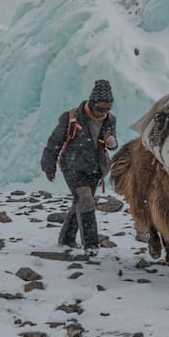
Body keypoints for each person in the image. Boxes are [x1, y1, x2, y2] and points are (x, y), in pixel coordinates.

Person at [41, 79, 118, 254]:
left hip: (95, 169)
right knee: (85, 199)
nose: (103, 113)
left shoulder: (110, 120)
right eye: (100, 109)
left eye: (107, 109)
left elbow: (113, 144)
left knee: (81, 202)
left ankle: (66, 238)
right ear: (92, 103)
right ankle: (91, 245)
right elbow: (54, 142)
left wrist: (113, 143)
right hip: (72, 167)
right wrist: (49, 166)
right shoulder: (71, 118)